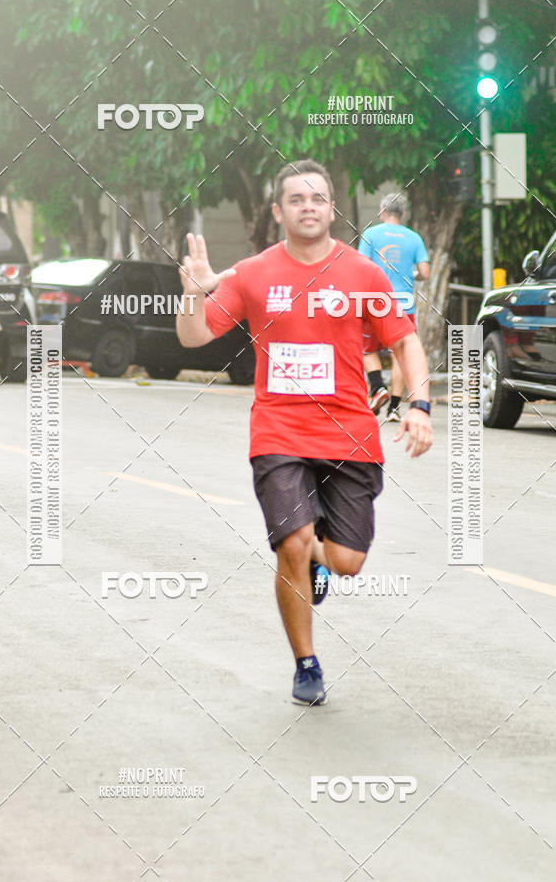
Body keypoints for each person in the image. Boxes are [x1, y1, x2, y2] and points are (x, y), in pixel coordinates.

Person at [177, 159, 433, 706]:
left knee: (346, 561)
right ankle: (306, 663)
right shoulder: (251, 273)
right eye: (296, 199)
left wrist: (421, 404)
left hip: (349, 436)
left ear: (332, 207)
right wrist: (195, 292)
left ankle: (321, 559)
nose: (308, 207)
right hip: (278, 432)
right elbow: (194, 336)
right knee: (291, 543)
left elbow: (404, 341)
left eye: (318, 198)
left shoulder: (363, 274)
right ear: (278, 211)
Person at [358, 193, 430, 421]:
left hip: (375, 302)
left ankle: (378, 387)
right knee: (400, 353)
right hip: (404, 305)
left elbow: (362, 267)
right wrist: (411, 274)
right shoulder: (414, 237)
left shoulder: (371, 234)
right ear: (404, 213)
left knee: (367, 349)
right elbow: (425, 273)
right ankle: (395, 409)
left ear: (382, 210)